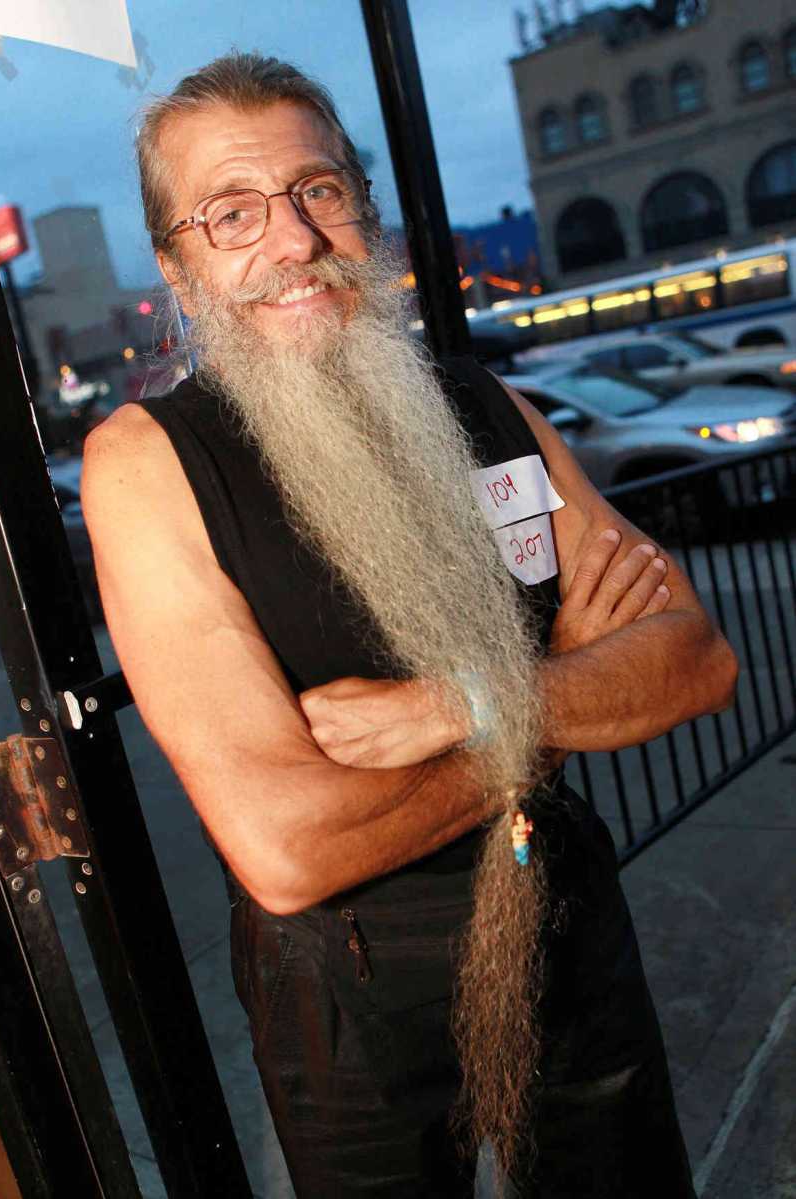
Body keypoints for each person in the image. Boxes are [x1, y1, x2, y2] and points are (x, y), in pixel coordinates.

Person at [82, 52, 737, 1198]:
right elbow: (289, 850)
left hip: (562, 915)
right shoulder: (148, 463)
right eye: (231, 212)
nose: (292, 242)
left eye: (318, 190)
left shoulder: (487, 405)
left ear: (363, 213)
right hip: (349, 977)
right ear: (178, 269)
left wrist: (466, 705)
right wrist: (563, 703)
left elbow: (694, 659)